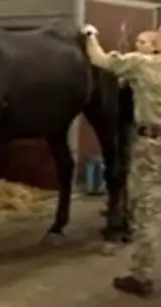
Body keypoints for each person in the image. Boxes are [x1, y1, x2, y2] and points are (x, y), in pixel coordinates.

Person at [83, 24, 161, 299]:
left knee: (147, 210)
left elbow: (100, 60)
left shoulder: (143, 65)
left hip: (152, 146)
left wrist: (91, 34)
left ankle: (142, 276)